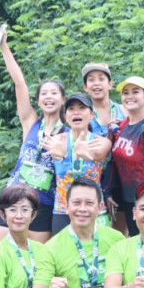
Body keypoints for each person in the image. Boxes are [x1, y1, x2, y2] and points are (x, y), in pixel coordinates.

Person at [0, 26, 63, 245]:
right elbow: (19, 84)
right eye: (44, 93)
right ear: (39, 100)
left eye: (54, 93)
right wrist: (4, 47)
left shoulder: (70, 133)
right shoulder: (31, 122)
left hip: (43, 205)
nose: (49, 97)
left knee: (37, 263)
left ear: (62, 99)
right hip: (13, 198)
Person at [46, 93, 112, 235]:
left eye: (82, 108)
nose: (76, 112)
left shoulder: (102, 141)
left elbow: (99, 153)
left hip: (94, 208)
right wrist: (59, 155)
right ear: (65, 116)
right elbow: (54, 154)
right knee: (62, 254)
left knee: (99, 253)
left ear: (92, 114)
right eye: (71, 109)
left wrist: (84, 151)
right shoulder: (56, 141)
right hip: (63, 209)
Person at [107, 76, 144, 236]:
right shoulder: (123, 126)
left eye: (135, 91)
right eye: (125, 92)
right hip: (129, 200)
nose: (129, 96)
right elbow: (116, 163)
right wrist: (110, 191)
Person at [81, 62, 126, 138]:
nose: (96, 83)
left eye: (101, 79)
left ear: (110, 84)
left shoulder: (125, 111)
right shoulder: (81, 115)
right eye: (91, 80)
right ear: (85, 87)